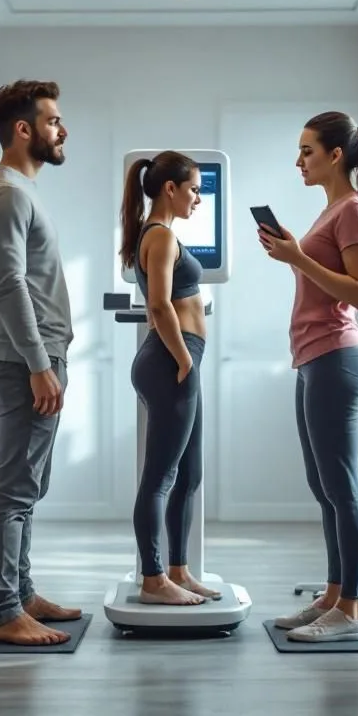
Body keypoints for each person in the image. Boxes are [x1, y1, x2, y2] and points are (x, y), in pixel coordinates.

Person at [258, 111, 358, 643]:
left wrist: (298, 257)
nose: (299, 161)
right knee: (324, 487)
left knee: (342, 487)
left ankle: (352, 613)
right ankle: (335, 595)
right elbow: (327, 277)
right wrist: (295, 253)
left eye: (307, 150)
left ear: (336, 155)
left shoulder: (354, 209)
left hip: (338, 358)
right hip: (314, 358)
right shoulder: (332, 211)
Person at [0, 79, 82, 646]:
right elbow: (9, 285)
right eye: (53, 120)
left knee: (28, 488)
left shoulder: (20, 191)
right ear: (23, 129)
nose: (62, 130)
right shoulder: (9, 195)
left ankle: (21, 593)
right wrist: (39, 364)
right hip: (23, 363)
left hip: (35, 359)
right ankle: (1, 612)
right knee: (14, 490)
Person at [118, 151, 222, 606]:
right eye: (194, 189)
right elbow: (159, 305)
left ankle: (179, 570)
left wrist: (186, 360)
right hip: (169, 361)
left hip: (179, 360)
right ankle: (153, 578)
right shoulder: (159, 235)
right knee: (160, 477)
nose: (198, 198)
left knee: (189, 474)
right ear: (169, 188)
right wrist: (183, 359)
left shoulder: (163, 233)